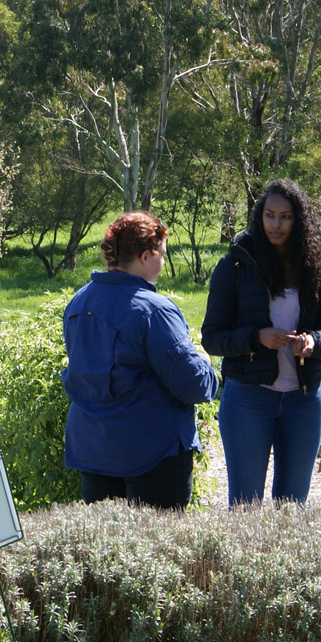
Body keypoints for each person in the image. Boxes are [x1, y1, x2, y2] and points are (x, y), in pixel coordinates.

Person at [61, 212, 219, 509]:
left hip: (94, 449)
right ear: (146, 255)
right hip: (152, 453)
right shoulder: (154, 310)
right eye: (161, 255)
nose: (162, 264)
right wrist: (207, 365)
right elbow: (192, 384)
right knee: (157, 552)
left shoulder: (79, 303)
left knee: (105, 552)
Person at [201, 179, 321, 505]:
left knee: (291, 509)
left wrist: (311, 341)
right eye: (269, 215)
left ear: (299, 219)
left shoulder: (315, 263)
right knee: (245, 506)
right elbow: (212, 337)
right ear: (259, 216)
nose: (276, 224)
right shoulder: (235, 264)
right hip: (248, 399)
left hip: (304, 401)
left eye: (285, 217)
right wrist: (256, 337)